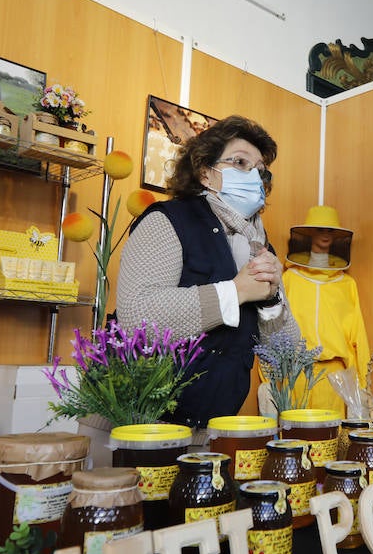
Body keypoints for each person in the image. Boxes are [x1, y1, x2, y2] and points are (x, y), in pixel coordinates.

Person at [117, 115, 299, 429]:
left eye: (259, 171)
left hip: (214, 430)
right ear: (205, 173)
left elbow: (287, 359)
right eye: (240, 163)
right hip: (144, 427)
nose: (253, 177)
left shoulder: (259, 245)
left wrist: (270, 302)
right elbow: (136, 317)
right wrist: (237, 292)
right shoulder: (167, 221)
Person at [280, 205, 371, 414]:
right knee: (296, 440)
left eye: (330, 230)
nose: (325, 235)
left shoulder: (346, 284)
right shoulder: (289, 279)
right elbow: (275, 328)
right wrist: (270, 381)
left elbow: (358, 335)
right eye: (320, 229)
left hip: (335, 378)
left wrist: (364, 385)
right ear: (310, 233)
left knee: (332, 441)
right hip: (296, 375)